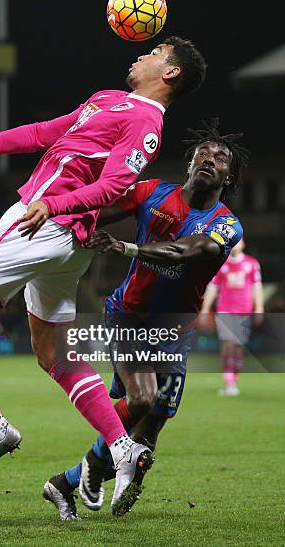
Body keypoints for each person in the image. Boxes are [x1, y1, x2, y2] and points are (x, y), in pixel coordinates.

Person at [0, 37, 206, 514]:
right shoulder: (109, 100)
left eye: (155, 53)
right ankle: (120, 448)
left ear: (171, 73)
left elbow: (116, 183)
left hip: (44, 222)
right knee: (53, 354)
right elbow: (43, 133)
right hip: (65, 240)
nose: (141, 55)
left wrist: (51, 204)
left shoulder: (146, 122)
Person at [43, 118, 248, 520]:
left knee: (150, 428)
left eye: (221, 158)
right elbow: (93, 213)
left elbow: (189, 250)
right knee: (140, 399)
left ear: (230, 176)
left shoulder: (226, 224)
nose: (210, 158)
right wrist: (53, 223)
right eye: (202, 153)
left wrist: (126, 248)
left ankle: (65, 482)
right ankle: (89, 469)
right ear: (189, 162)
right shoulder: (152, 192)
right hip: (129, 317)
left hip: (175, 332)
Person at [200, 238, 263, 396]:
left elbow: (257, 288)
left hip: (244, 311)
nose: (236, 245)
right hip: (225, 310)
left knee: (238, 346)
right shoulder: (221, 264)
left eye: (239, 242)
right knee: (228, 343)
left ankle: (234, 378)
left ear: (243, 244)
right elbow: (213, 287)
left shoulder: (252, 264)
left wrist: (259, 308)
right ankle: (228, 381)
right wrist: (205, 308)